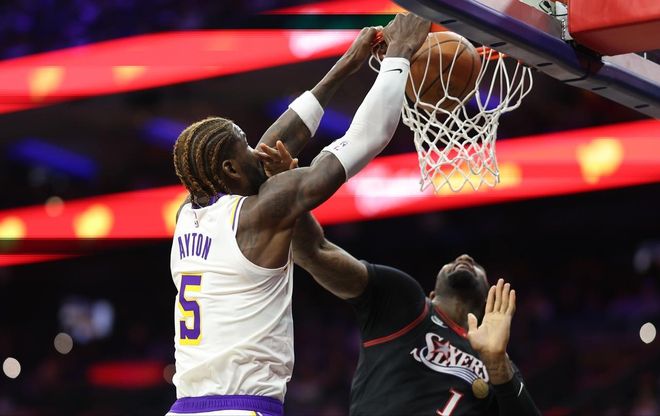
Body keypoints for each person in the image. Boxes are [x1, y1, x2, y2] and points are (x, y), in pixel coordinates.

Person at [166, 13, 432, 416]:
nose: (257, 149)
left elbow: (273, 144)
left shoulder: (188, 214)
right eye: (245, 145)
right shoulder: (260, 213)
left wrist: (348, 63)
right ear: (231, 170)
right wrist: (399, 55)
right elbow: (366, 139)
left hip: (185, 407)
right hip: (240, 408)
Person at [287, 206, 541, 415]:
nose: (464, 257)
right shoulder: (405, 304)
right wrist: (289, 187)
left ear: (487, 303)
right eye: (451, 261)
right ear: (432, 296)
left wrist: (497, 364)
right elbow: (314, 250)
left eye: (477, 265)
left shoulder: (501, 365)